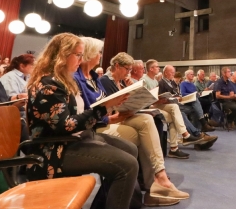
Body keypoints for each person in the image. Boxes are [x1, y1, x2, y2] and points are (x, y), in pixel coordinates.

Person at [27, 33, 139, 209]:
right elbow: (66, 125)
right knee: (127, 165)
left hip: (76, 139)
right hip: (54, 150)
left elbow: (79, 114)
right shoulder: (49, 85)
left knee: (130, 149)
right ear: (62, 55)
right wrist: (104, 107)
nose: (81, 59)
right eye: (78, 54)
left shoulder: (65, 80)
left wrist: (109, 107)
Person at [75, 40, 187, 206]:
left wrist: (130, 94)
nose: (100, 56)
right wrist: (111, 116)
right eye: (127, 69)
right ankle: (155, 182)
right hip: (99, 125)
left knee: (148, 120)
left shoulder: (93, 79)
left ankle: (157, 179)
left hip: (110, 119)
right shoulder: (97, 80)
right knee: (144, 131)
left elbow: (108, 105)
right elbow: (99, 109)